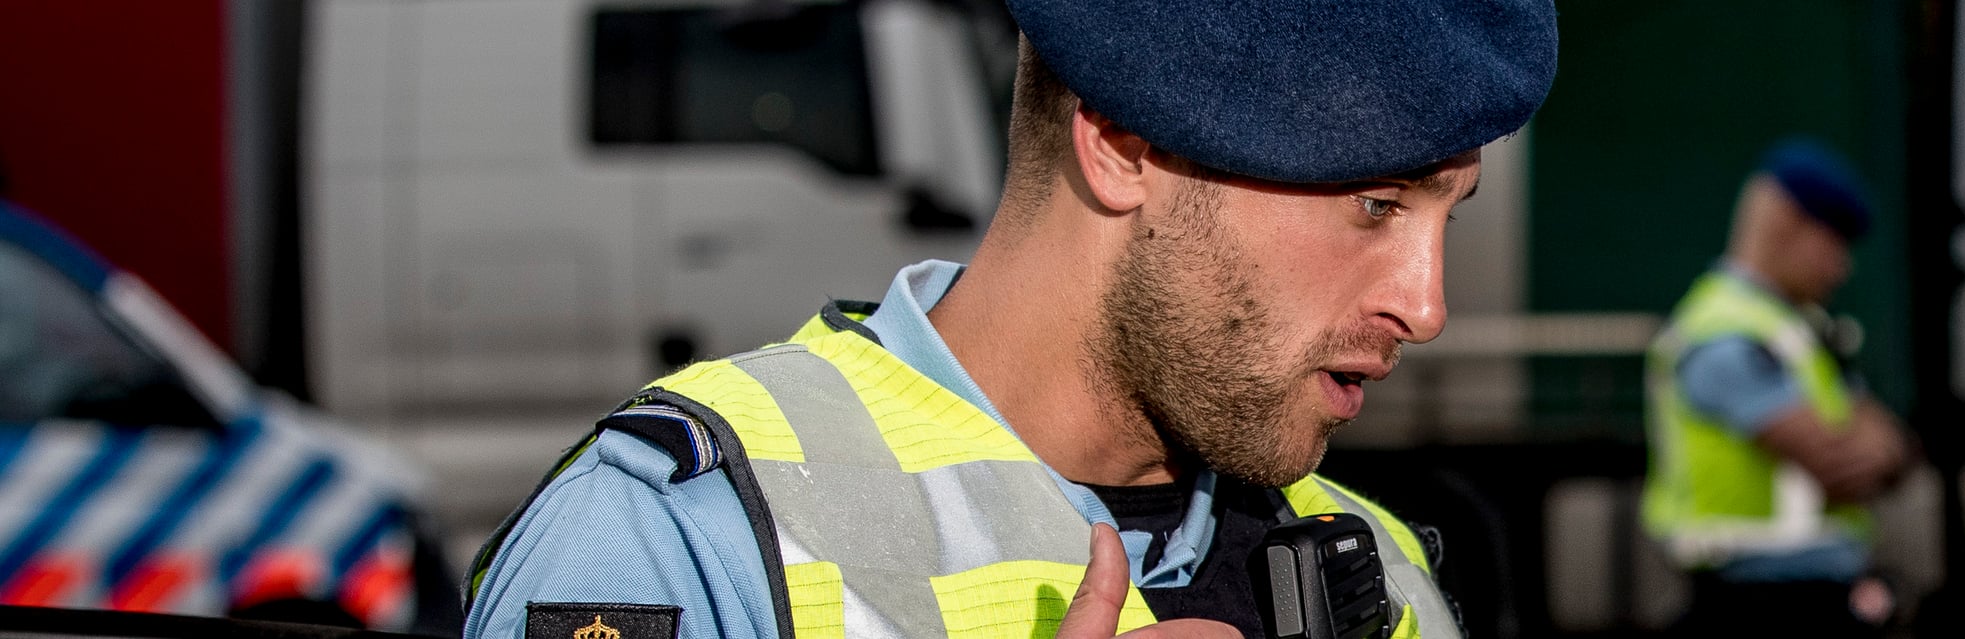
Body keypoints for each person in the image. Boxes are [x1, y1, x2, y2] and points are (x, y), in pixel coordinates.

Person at [458, 0, 1557, 637]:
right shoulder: (680, 531)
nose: (1425, 305)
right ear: (1121, 148)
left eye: (1448, 214)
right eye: (1376, 206)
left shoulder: (1384, 571)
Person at [1641, 139, 1914, 637]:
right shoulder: (1726, 336)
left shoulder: (1799, 327)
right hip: (1757, 604)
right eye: (1834, 244)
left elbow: (1895, 448)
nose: (1843, 267)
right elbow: (1843, 466)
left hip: (1805, 597)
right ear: (1786, 224)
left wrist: (1888, 449)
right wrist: (1880, 447)